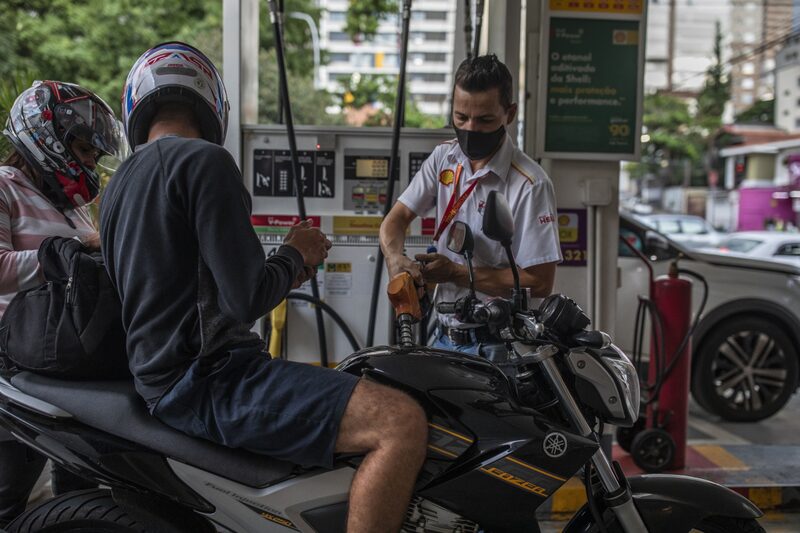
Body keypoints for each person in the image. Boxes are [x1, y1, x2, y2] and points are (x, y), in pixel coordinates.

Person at [100, 42, 427, 532]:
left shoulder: (117, 187)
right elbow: (246, 297)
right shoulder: (205, 162)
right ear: (212, 104)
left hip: (164, 380)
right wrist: (297, 253)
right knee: (400, 421)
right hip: (212, 380)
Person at [380, 54, 562, 359]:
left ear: (510, 114)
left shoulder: (530, 184)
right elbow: (395, 220)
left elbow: (539, 282)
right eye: (461, 117)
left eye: (484, 120)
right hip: (442, 334)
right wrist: (396, 259)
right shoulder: (444, 159)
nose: (470, 129)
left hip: (497, 344)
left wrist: (455, 272)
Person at [0, 80, 123, 525]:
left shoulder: (71, 208)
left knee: (82, 497)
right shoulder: (4, 186)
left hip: (67, 367)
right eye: (86, 150)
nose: (91, 162)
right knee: (9, 496)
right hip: (14, 372)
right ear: (47, 137)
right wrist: (68, 251)